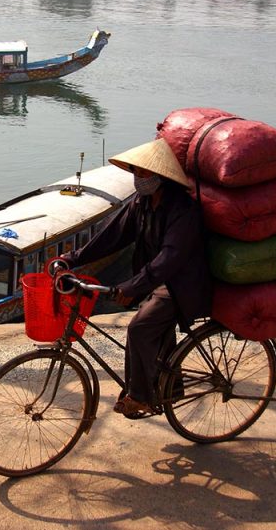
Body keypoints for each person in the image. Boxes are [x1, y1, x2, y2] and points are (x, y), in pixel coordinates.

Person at [58, 137, 210, 419]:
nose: (138, 178)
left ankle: (139, 396)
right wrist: (73, 258)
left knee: (140, 327)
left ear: (161, 177)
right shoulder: (141, 203)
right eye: (136, 172)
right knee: (152, 331)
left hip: (182, 282)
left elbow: (171, 258)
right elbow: (110, 237)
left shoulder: (183, 210)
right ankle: (168, 389)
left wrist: (133, 285)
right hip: (157, 278)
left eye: (143, 173)